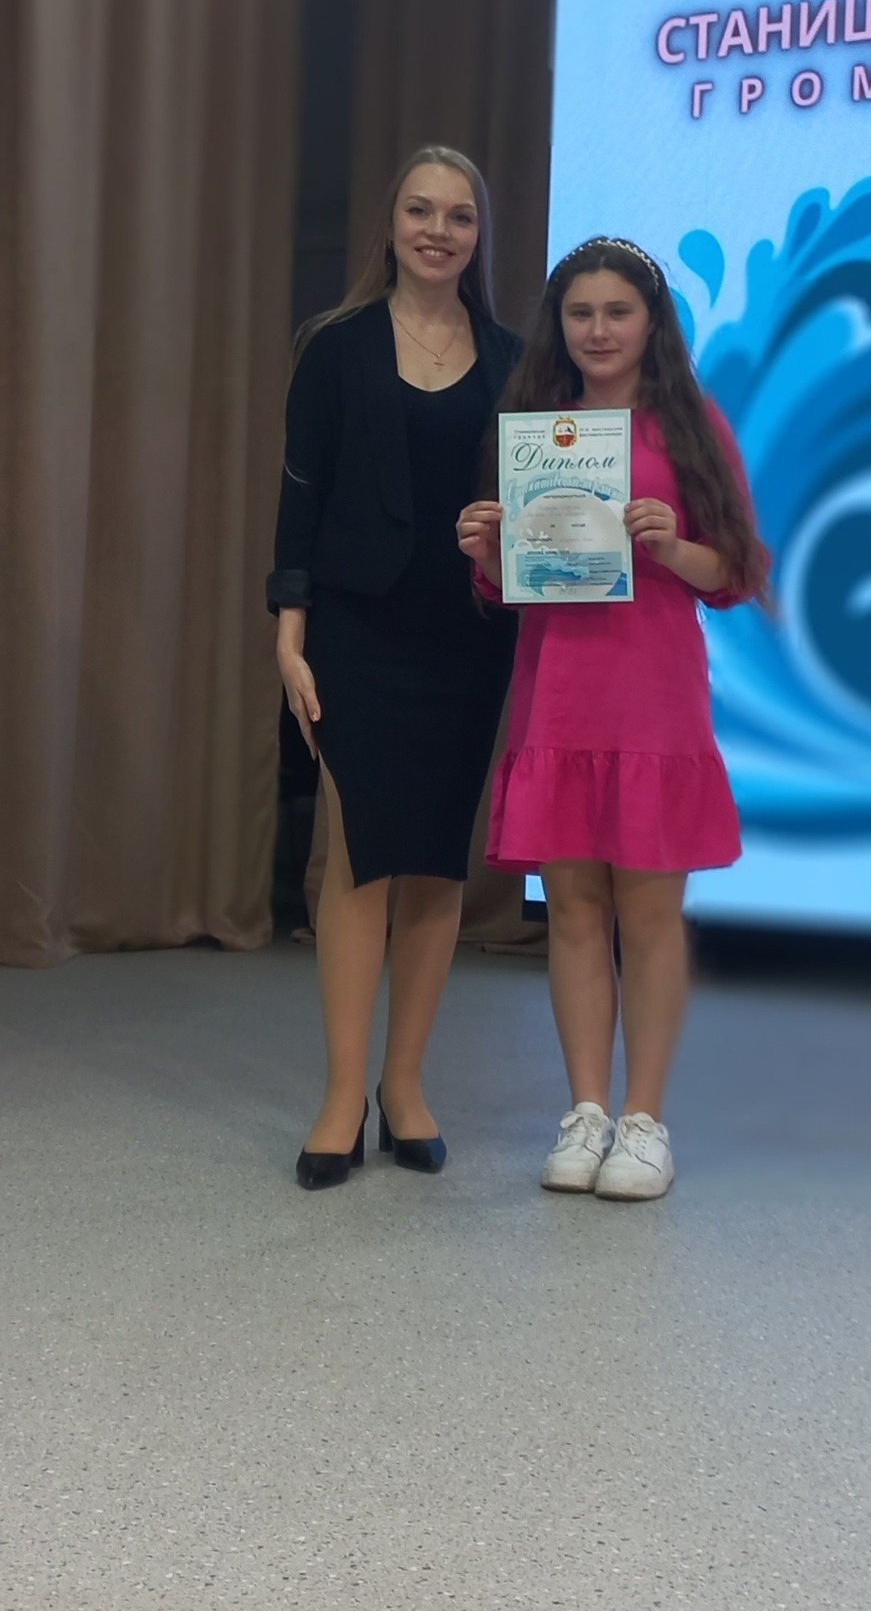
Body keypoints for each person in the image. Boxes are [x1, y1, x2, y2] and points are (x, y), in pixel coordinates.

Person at [457, 237, 769, 1201]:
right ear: (558, 324)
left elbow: (735, 571)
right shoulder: (534, 429)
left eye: (617, 312)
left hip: (652, 698)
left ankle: (644, 1120)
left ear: (650, 322)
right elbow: (511, 587)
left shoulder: (692, 424)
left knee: (649, 913)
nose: (597, 330)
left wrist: (672, 548)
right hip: (556, 693)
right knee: (573, 911)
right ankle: (585, 1111)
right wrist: (487, 551)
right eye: (580, 313)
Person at [268, 147, 520, 1190]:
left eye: (458, 216)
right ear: (391, 223)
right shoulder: (333, 347)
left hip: (469, 632)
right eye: (420, 210)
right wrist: (288, 633)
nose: (437, 230)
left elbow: (539, 511)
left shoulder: (515, 359)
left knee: (435, 859)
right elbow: (299, 497)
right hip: (354, 631)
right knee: (360, 854)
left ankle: (404, 1085)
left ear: (478, 235)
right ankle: (342, 1095)